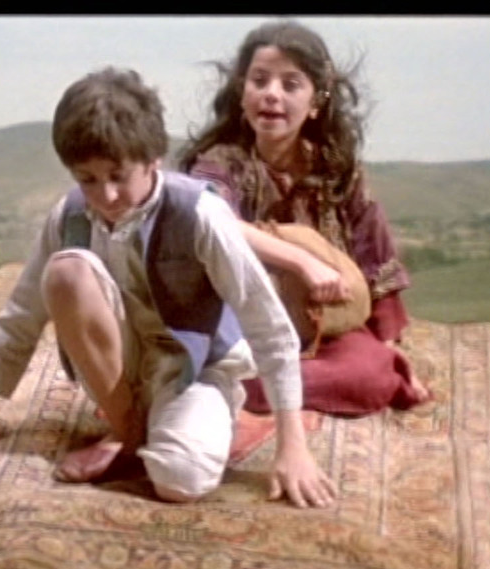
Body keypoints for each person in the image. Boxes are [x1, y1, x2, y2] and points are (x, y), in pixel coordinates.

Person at [0, 67, 335, 508]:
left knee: (180, 482)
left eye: (118, 176)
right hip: (118, 367)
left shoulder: (200, 214)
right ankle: (128, 433)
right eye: (87, 179)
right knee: (66, 273)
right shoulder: (70, 215)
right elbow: (21, 315)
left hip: (194, 365)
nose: (105, 195)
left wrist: (292, 447)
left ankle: (186, 422)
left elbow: (267, 324)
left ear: (153, 159)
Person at [178, 20, 431, 417]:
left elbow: (375, 260)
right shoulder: (220, 164)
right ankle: (244, 384)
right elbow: (206, 218)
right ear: (242, 93)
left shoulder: (337, 171)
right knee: (212, 359)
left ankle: (258, 388)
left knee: (369, 376)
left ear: (316, 102)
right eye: (259, 80)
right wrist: (302, 261)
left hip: (321, 328)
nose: (271, 94)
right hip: (239, 326)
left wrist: (386, 348)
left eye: (290, 84)